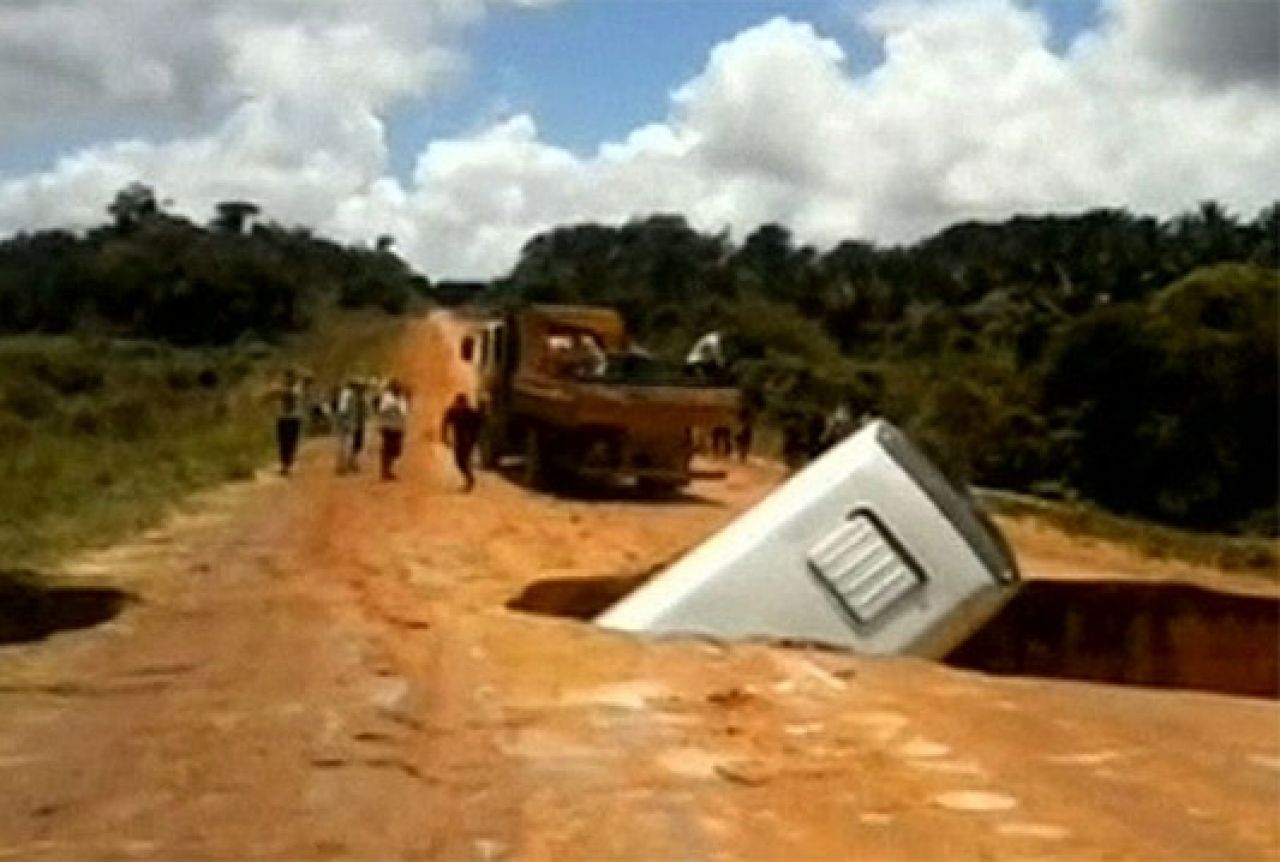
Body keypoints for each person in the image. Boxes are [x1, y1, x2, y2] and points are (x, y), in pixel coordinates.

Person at [441, 393, 484, 492]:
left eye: (463, 404)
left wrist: (483, 407)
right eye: (460, 404)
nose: (461, 406)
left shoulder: (470, 412)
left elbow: (480, 423)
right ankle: (470, 480)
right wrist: (444, 437)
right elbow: (444, 423)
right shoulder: (453, 411)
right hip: (460, 439)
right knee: (459, 461)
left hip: (468, 439)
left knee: (462, 460)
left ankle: (470, 481)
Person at [334, 376, 371, 475]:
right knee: (345, 446)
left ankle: (351, 463)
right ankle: (341, 467)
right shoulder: (347, 395)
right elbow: (342, 411)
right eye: (359, 387)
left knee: (356, 445)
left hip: (357, 423)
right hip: (348, 424)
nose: (361, 389)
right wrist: (345, 423)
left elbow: (365, 411)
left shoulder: (359, 397)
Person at [376, 379, 409, 480]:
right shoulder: (387, 398)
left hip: (398, 427)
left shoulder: (401, 399)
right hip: (388, 427)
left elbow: (404, 412)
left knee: (396, 450)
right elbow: (382, 410)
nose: (398, 389)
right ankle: (385, 471)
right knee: (387, 449)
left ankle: (388, 469)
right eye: (396, 387)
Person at [275, 368, 306, 476]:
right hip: (283, 417)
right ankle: (284, 465)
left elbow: (290, 395)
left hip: (293, 418)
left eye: (290, 376)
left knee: (291, 442)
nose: (288, 379)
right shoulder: (286, 388)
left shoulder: (296, 388)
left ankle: (288, 465)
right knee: (283, 443)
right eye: (287, 376)